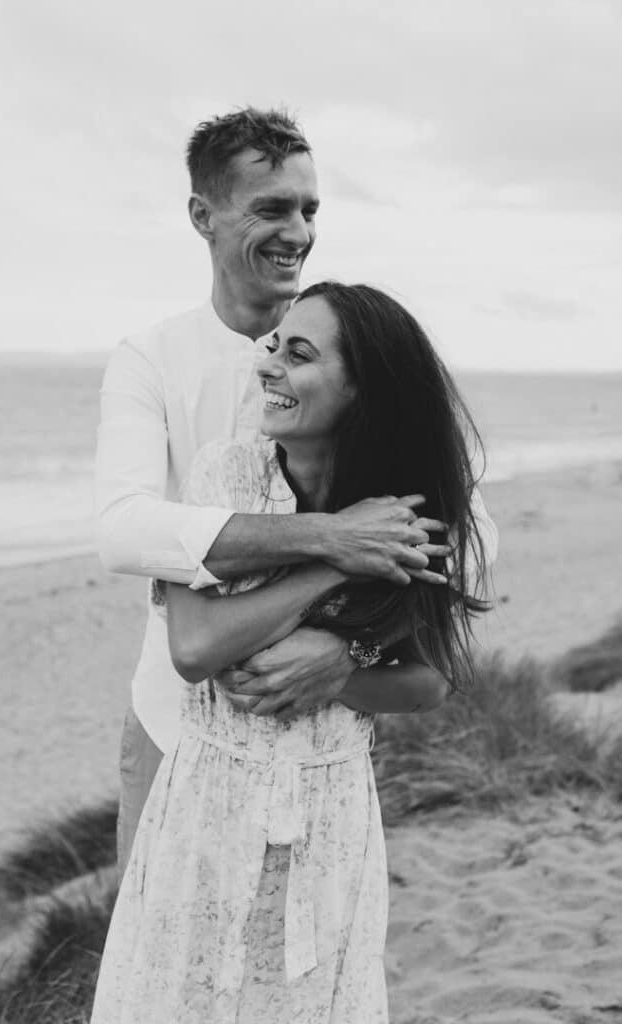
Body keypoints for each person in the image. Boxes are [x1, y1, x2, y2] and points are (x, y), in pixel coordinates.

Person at [90, 282, 494, 1024]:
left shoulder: (412, 510)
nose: (268, 365)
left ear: (363, 392)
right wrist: (340, 555)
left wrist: (344, 664)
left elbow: (431, 679)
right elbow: (195, 646)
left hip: (331, 811)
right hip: (205, 804)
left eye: (298, 354)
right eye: (272, 346)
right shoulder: (222, 474)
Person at [94, 108, 462, 873]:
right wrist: (331, 540)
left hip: (316, 731)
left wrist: (347, 651)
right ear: (203, 215)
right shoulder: (150, 360)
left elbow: (451, 536)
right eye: (270, 208)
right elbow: (124, 531)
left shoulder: (359, 354)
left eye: (309, 209)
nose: (297, 230)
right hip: (174, 717)